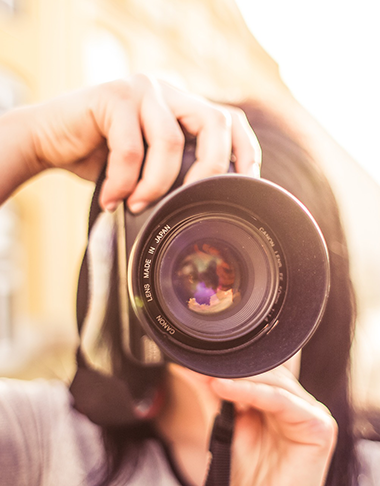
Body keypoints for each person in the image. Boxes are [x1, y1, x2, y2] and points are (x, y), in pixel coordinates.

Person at [0, 74, 374, 486]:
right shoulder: (41, 443)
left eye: (246, 261)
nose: (210, 284)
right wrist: (32, 140)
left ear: (314, 285)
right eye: (186, 249)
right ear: (128, 259)